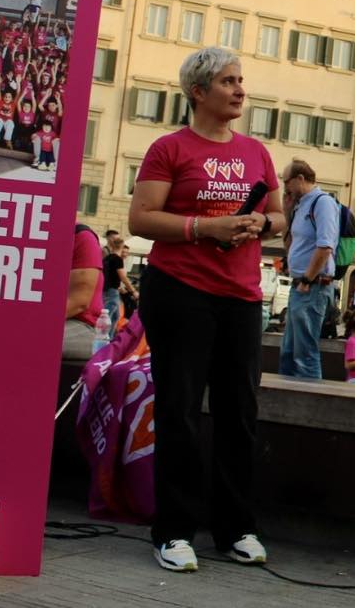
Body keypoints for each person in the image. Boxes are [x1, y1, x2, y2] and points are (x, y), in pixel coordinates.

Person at [128, 46, 286, 572]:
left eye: (241, 80)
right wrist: (204, 228)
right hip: (180, 290)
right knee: (179, 410)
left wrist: (261, 225)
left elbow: (280, 216)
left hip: (241, 297)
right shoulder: (168, 148)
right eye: (227, 81)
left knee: (239, 413)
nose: (240, 89)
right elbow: (142, 219)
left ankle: (236, 528)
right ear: (198, 92)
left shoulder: (256, 152)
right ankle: (173, 531)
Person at [279, 159, 337, 380]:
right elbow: (290, 245)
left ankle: (311, 403)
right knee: (289, 352)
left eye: (287, 182)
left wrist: (307, 279)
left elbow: (325, 246)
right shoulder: (301, 204)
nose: (285, 188)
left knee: (304, 353)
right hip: (302, 285)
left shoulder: (322, 203)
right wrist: (286, 213)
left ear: (300, 179)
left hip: (312, 286)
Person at [61, 224, 105, 359]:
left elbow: (79, 302)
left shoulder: (80, 236)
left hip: (82, 323)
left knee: (24, 341)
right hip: (49, 321)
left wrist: (29, 325)